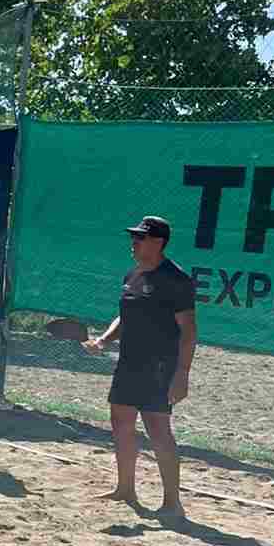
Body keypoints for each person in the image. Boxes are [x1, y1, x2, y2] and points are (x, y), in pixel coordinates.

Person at [83, 214, 198, 516]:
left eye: (140, 237)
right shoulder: (132, 274)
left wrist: (182, 374)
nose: (133, 242)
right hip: (129, 362)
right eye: (133, 237)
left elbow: (188, 331)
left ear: (158, 242)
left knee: (158, 430)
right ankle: (125, 489)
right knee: (120, 423)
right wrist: (103, 340)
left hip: (160, 366)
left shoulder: (176, 279)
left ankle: (172, 503)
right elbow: (125, 316)